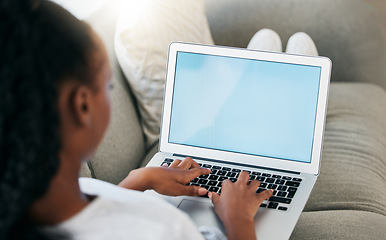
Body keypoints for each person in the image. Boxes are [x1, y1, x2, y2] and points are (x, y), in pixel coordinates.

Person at [0, 0, 319, 239]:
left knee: (267, 46)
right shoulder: (164, 230)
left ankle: (262, 74)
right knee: (290, 49)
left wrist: (135, 182)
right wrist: (239, 219)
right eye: (107, 86)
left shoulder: (44, 199)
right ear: (82, 106)